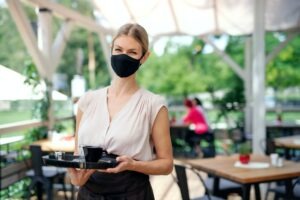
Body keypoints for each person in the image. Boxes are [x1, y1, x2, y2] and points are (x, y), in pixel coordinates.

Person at [67, 23, 173, 199]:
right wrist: (77, 178)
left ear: (144, 57)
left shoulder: (154, 105)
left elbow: (166, 164)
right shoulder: (87, 101)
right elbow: (79, 155)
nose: (123, 56)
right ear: (111, 50)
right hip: (88, 194)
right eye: (118, 49)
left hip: (132, 193)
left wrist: (133, 165)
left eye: (132, 52)